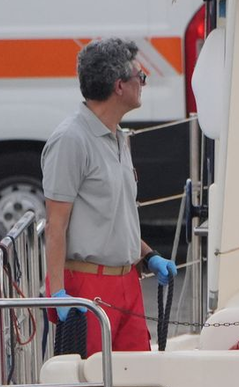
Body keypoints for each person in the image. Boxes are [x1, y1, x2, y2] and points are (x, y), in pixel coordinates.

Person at [42, 38, 177, 356]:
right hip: (90, 288)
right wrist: (58, 293)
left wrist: (147, 256)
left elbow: (115, 215)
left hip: (127, 283)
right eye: (140, 77)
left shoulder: (117, 137)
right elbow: (55, 225)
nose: (143, 83)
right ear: (119, 86)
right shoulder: (70, 140)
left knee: (138, 386)